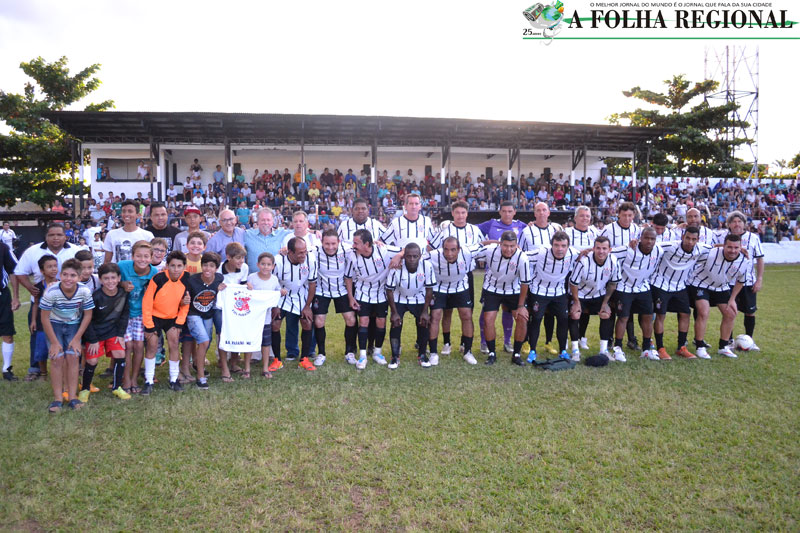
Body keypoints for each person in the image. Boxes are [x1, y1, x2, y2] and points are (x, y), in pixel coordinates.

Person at [12, 223, 79, 380]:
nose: (55, 238)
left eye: (59, 235)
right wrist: (30, 288)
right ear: (46, 236)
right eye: (51, 235)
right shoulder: (33, 251)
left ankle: (73, 366)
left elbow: (84, 272)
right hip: (41, 303)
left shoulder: (75, 250)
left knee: (68, 335)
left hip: (68, 306)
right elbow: (19, 272)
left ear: (65, 236)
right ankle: (35, 369)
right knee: (38, 336)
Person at [428, 201, 486, 357]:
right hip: (445, 275)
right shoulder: (445, 231)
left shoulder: (474, 230)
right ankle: (446, 343)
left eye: (463, 212)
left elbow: (482, 246)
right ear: (452, 213)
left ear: (467, 214)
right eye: (457, 212)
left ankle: (464, 343)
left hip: (465, 275)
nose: (460, 216)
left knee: (467, 311)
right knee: (446, 311)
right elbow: (431, 248)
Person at [38, 258, 94, 412]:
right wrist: (54, 342)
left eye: (73, 275)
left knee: (73, 357)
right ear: (60, 275)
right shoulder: (52, 292)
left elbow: (88, 315)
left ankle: (72, 396)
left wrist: (77, 339)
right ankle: (57, 399)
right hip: (54, 324)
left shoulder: (84, 291)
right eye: (65, 275)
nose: (68, 279)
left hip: (73, 325)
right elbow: (44, 318)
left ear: (79, 277)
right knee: (56, 358)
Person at [344, 229, 403, 369]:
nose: (353, 245)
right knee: (363, 321)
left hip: (381, 292)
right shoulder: (351, 255)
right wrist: (351, 297)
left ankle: (377, 353)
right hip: (363, 292)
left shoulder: (383, 250)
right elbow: (348, 277)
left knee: (381, 322)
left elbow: (407, 249)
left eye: (356, 243)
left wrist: (398, 256)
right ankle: (362, 355)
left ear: (367, 244)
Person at [476, 201, 529, 354]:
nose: (507, 214)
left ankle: (507, 341)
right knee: (487, 313)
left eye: (510, 211)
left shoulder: (522, 226)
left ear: (514, 212)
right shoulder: (491, 224)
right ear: (499, 212)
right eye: (504, 211)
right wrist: (493, 242)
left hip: (512, 278)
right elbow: (474, 232)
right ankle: (484, 342)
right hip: (493, 277)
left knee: (509, 311)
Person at [688, 233, 750, 359]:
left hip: (721, 287)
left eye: (736, 248)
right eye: (729, 247)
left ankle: (723, 347)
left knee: (731, 313)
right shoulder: (711, 253)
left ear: (741, 247)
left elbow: (741, 281)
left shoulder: (744, 261)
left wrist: (732, 299)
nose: (732, 250)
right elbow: (693, 250)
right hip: (700, 283)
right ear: (724, 246)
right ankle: (700, 347)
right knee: (703, 312)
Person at [609, 227, 664, 362]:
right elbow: (606, 252)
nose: (649, 241)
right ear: (640, 238)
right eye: (646, 238)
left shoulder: (659, 250)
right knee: (623, 317)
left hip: (642, 287)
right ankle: (618, 348)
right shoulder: (627, 249)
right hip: (624, 287)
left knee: (648, 316)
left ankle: (646, 349)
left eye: (652, 239)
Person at [650, 226, 705, 360]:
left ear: (698, 240)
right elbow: (651, 245)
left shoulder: (700, 249)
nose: (690, 242)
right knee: (660, 315)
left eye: (693, 239)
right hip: (661, 284)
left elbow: (716, 248)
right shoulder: (669, 246)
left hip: (680, 286)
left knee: (685, 313)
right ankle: (660, 348)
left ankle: (681, 347)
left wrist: (741, 249)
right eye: (687, 238)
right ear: (682, 237)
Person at [518, 202, 565, 356]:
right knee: (533, 313)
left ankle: (548, 342)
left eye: (544, 210)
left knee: (550, 314)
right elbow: (520, 252)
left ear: (549, 212)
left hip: (553, 279)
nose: (541, 213)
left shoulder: (556, 229)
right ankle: (526, 341)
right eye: (538, 210)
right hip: (532, 281)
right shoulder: (527, 231)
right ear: (534, 213)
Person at [427, 237, 483, 366]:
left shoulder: (467, 252)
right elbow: (415, 255)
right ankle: (434, 353)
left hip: (460, 287)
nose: (449, 253)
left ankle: (467, 351)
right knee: (435, 316)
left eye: (453, 250)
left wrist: (500, 243)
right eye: (446, 249)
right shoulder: (433, 255)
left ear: (459, 249)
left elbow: (483, 244)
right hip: (439, 288)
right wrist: (399, 256)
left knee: (467, 315)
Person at [525, 231, 579, 363]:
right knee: (536, 319)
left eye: (563, 246)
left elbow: (588, 254)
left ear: (568, 246)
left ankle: (563, 351)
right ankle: (532, 351)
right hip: (539, 291)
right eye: (556, 245)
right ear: (551, 245)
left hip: (559, 292)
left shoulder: (573, 253)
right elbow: (522, 256)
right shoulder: (540, 253)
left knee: (563, 319)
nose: (560, 249)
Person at [80, 263, 131, 402]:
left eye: (113, 278)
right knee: (92, 360)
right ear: (100, 280)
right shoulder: (95, 297)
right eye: (106, 278)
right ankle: (85, 388)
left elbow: (124, 315)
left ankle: (117, 387)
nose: (110, 281)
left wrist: (120, 334)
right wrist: (93, 340)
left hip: (113, 332)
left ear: (119, 278)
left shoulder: (123, 293)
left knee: (120, 353)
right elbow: (88, 320)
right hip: (95, 334)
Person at [142, 251, 191, 393]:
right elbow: (147, 302)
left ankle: (174, 379)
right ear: (167, 266)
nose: (176, 269)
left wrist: (179, 323)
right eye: (172, 266)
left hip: (172, 317)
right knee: (152, 346)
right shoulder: (158, 279)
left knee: (174, 344)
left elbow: (186, 303)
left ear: (184, 267)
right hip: (155, 316)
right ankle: (149, 380)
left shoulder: (186, 278)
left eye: (179, 266)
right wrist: (149, 325)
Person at [269, 237, 317, 372]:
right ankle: (277, 360)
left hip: (300, 293)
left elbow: (312, 283)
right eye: (300, 253)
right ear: (289, 252)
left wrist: (307, 307)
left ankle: (304, 359)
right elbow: (271, 282)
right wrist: (275, 305)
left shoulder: (310, 259)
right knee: (275, 323)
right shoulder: (278, 261)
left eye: (305, 251)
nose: (303, 255)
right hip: (281, 294)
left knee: (307, 321)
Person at [567, 236, 618, 362]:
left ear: (610, 250)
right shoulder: (583, 261)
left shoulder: (613, 261)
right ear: (593, 248)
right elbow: (573, 283)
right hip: (580, 294)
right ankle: (575, 350)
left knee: (606, 314)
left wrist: (605, 303)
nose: (601, 251)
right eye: (598, 248)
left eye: (604, 248)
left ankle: (603, 350)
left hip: (598, 294)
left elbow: (613, 283)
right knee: (575, 314)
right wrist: (576, 302)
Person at [311, 229, 358, 367]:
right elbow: (299, 249)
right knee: (318, 321)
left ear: (339, 242)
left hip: (341, 290)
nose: (330, 247)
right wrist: (284, 250)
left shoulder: (347, 249)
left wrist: (377, 243)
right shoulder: (314, 250)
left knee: (351, 319)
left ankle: (349, 352)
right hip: (322, 290)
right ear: (321, 242)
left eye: (333, 243)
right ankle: (321, 353)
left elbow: (362, 247)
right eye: (327, 244)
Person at [600, 202, 643, 351]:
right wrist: (625, 248)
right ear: (618, 214)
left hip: (629, 274)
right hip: (612, 274)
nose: (627, 218)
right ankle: (609, 339)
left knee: (628, 309)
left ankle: (631, 339)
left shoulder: (637, 229)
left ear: (634, 215)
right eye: (624, 215)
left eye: (630, 215)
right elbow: (604, 250)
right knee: (612, 308)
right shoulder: (609, 229)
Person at [719, 211, 764, 350]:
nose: (737, 224)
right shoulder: (722, 236)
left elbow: (760, 258)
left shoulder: (753, 238)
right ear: (729, 224)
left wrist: (759, 279)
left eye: (739, 221)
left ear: (744, 224)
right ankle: (729, 341)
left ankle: (750, 340)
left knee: (750, 312)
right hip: (728, 282)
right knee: (729, 312)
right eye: (733, 222)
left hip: (748, 281)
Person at [386, 243, 436, 369]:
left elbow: (429, 289)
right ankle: (395, 356)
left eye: (415, 256)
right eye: (409, 256)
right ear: (404, 257)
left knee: (423, 323)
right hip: (399, 297)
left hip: (419, 297)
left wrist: (425, 311)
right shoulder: (396, 267)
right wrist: (394, 312)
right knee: (395, 324)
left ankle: (422, 355)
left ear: (420, 256)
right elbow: (389, 290)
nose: (412, 259)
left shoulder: (427, 266)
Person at [118, 241, 159, 394]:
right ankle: (126, 379)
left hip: (142, 314)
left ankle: (134, 378)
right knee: (127, 346)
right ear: (132, 256)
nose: (142, 259)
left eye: (146, 256)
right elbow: (110, 280)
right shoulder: (122, 266)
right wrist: (122, 284)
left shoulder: (154, 272)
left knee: (139, 346)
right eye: (138, 256)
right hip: (124, 313)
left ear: (151, 257)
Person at [185, 252, 225, 390]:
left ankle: (197, 363)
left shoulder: (219, 278)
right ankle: (200, 377)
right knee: (204, 341)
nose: (208, 268)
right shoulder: (192, 280)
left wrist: (220, 288)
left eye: (212, 266)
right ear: (201, 266)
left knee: (206, 342)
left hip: (207, 314)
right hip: (193, 314)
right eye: (205, 265)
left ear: (216, 268)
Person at [246, 252, 285, 379]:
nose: (265, 267)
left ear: (273, 266)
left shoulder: (274, 280)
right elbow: (245, 292)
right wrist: (247, 287)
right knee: (250, 342)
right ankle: (247, 369)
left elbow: (277, 292)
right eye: (263, 264)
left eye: (268, 265)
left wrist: (281, 293)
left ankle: (265, 368)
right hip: (252, 317)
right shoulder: (252, 278)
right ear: (258, 264)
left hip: (266, 318)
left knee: (266, 343)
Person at [215, 242, 249, 380]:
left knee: (237, 331)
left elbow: (243, 286)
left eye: (243, 258)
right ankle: (224, 367)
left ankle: (234, 362)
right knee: (222, 334)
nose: (241, 261)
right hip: (220, 306)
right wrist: (218, 287)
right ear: (228, 257)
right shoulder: (218, 270)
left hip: (236, 306)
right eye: (238, 258)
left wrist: (247, 286)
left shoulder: (244, 268)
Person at [29, 255, 58, 381]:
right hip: (42, 323)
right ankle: (43, 373)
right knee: (41, 350)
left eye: (55, 266)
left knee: (58, 348)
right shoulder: (38, 287)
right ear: (42, 270)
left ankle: (59, 371)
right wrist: (33, 320)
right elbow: (35, 304)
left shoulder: (62, 284)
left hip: (57, 322)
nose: (53, 269)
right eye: (49, 267)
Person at [244, 208, 292, 273]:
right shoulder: (247, 234)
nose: (266, 223)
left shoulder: (282, 234)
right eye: (263, 220)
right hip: (252, 278)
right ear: (257, 221)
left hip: (276, 278)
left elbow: (300, 232)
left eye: (268, 220)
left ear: (273, 222)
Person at [0, 240, 17, 381]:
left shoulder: (3, 247)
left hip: (2, 296)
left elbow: (13, 271)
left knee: (7, 332)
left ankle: (6, 369)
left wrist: (16, 296)